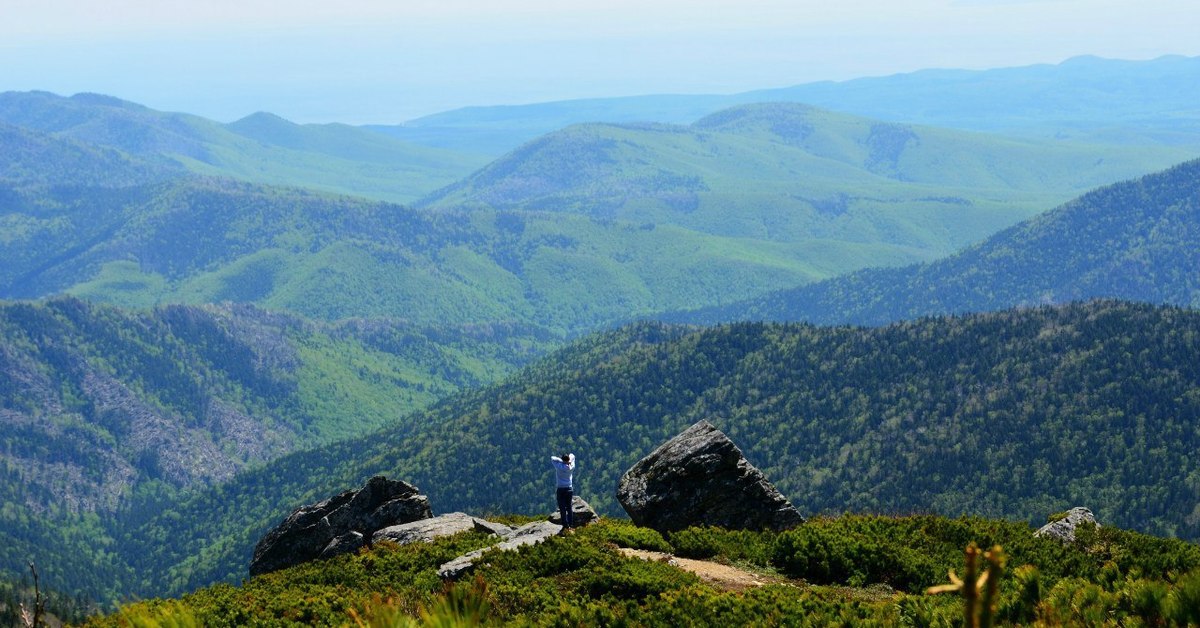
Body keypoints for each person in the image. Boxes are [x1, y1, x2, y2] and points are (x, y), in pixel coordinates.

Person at [550, 452, 576, 528]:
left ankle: (565, 525)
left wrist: (562, 461)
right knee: (569, 507)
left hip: (561, 489)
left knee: (562, 508)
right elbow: (572, 455)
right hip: (569, 488)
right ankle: (570, 524)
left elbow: (552, 458)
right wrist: (569, 461)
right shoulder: (572, 466)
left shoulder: (559, 466)